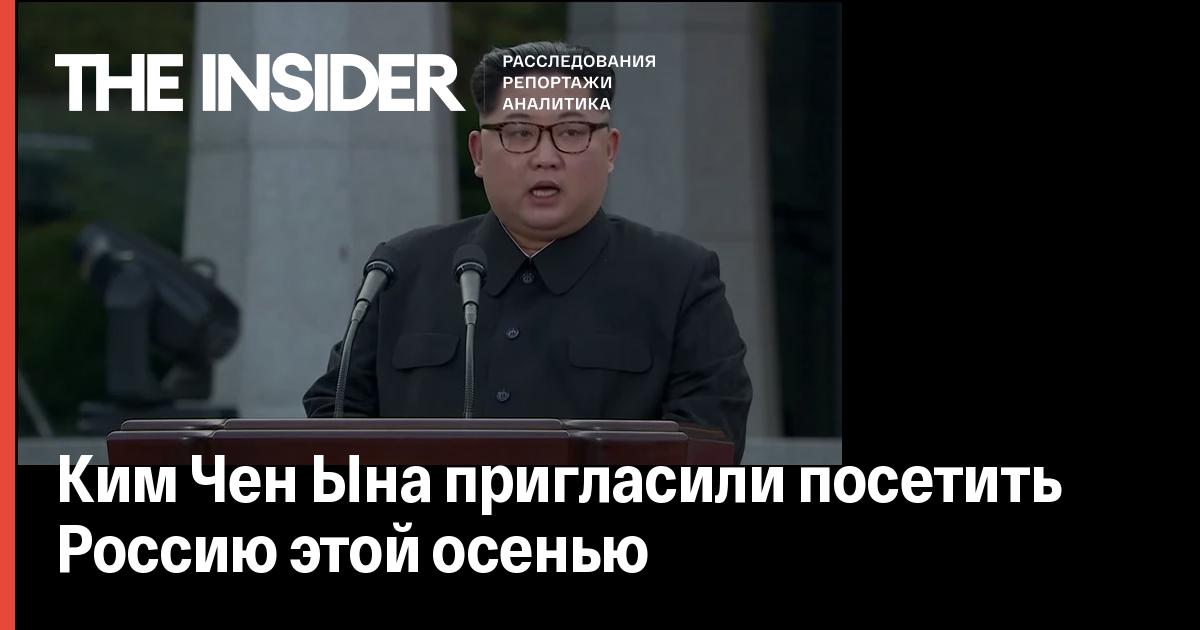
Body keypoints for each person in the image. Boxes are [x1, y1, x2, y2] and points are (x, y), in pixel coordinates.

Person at [302, 41, 753, 462]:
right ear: (479, 153)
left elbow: (708, 445)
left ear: (610, 150)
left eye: (572, 132)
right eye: (519, 133)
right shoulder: (401, 270)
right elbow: (335, 414)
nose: (545, 156)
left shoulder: (679, 280)